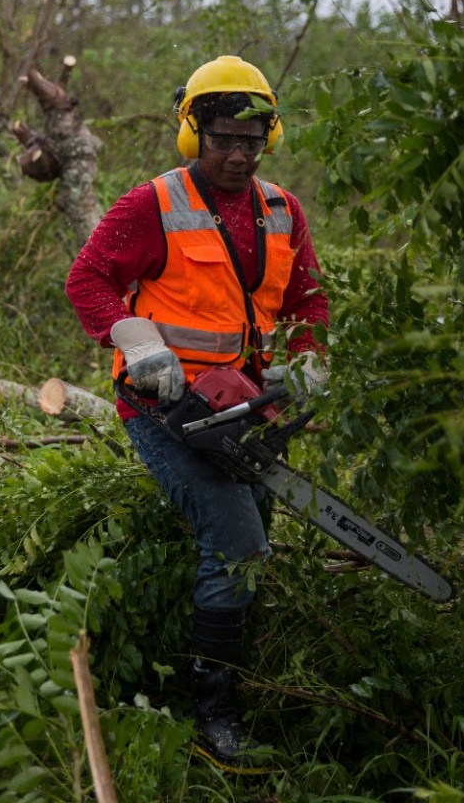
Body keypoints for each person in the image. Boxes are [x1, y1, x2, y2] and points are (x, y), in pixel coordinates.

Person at [65, 56, 330, 768]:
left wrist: (307, 355)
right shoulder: (153, 203)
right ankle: (214, 714)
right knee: (239, 544)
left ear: (269, 137)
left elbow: (308, 299)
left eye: (251, 141)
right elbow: (88, 279)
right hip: (164, 406)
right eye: (223, 140)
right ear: (194, 134)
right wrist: (132, 337)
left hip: (247, 406)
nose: (238, 155)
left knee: (254, 538)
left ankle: (240, 667)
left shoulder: (283, 210)